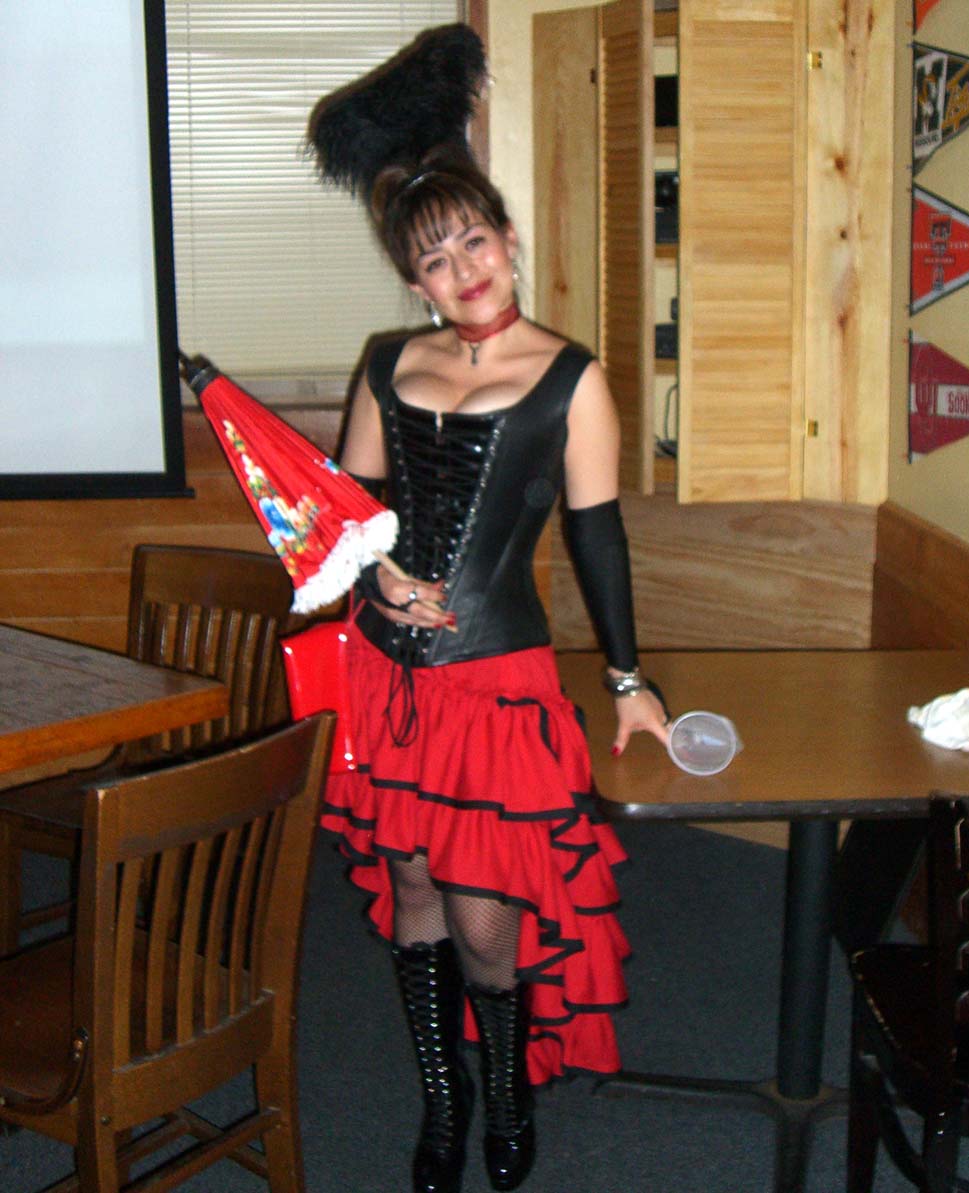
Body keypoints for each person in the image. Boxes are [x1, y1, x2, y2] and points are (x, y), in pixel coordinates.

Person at [307, 26, 669, 1193]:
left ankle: (507, 1089)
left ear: (509, 239)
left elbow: (594, 530)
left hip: (493, 682)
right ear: (412, 281)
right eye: (434, 259)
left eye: (473, 240)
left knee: (483, 908)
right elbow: (350, 510)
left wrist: (627, 675)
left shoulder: (570, 376)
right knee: (408, 883)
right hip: (387, 675)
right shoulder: (384, 359)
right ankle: (441, 1095)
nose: (461, 269)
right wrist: (376, 576)